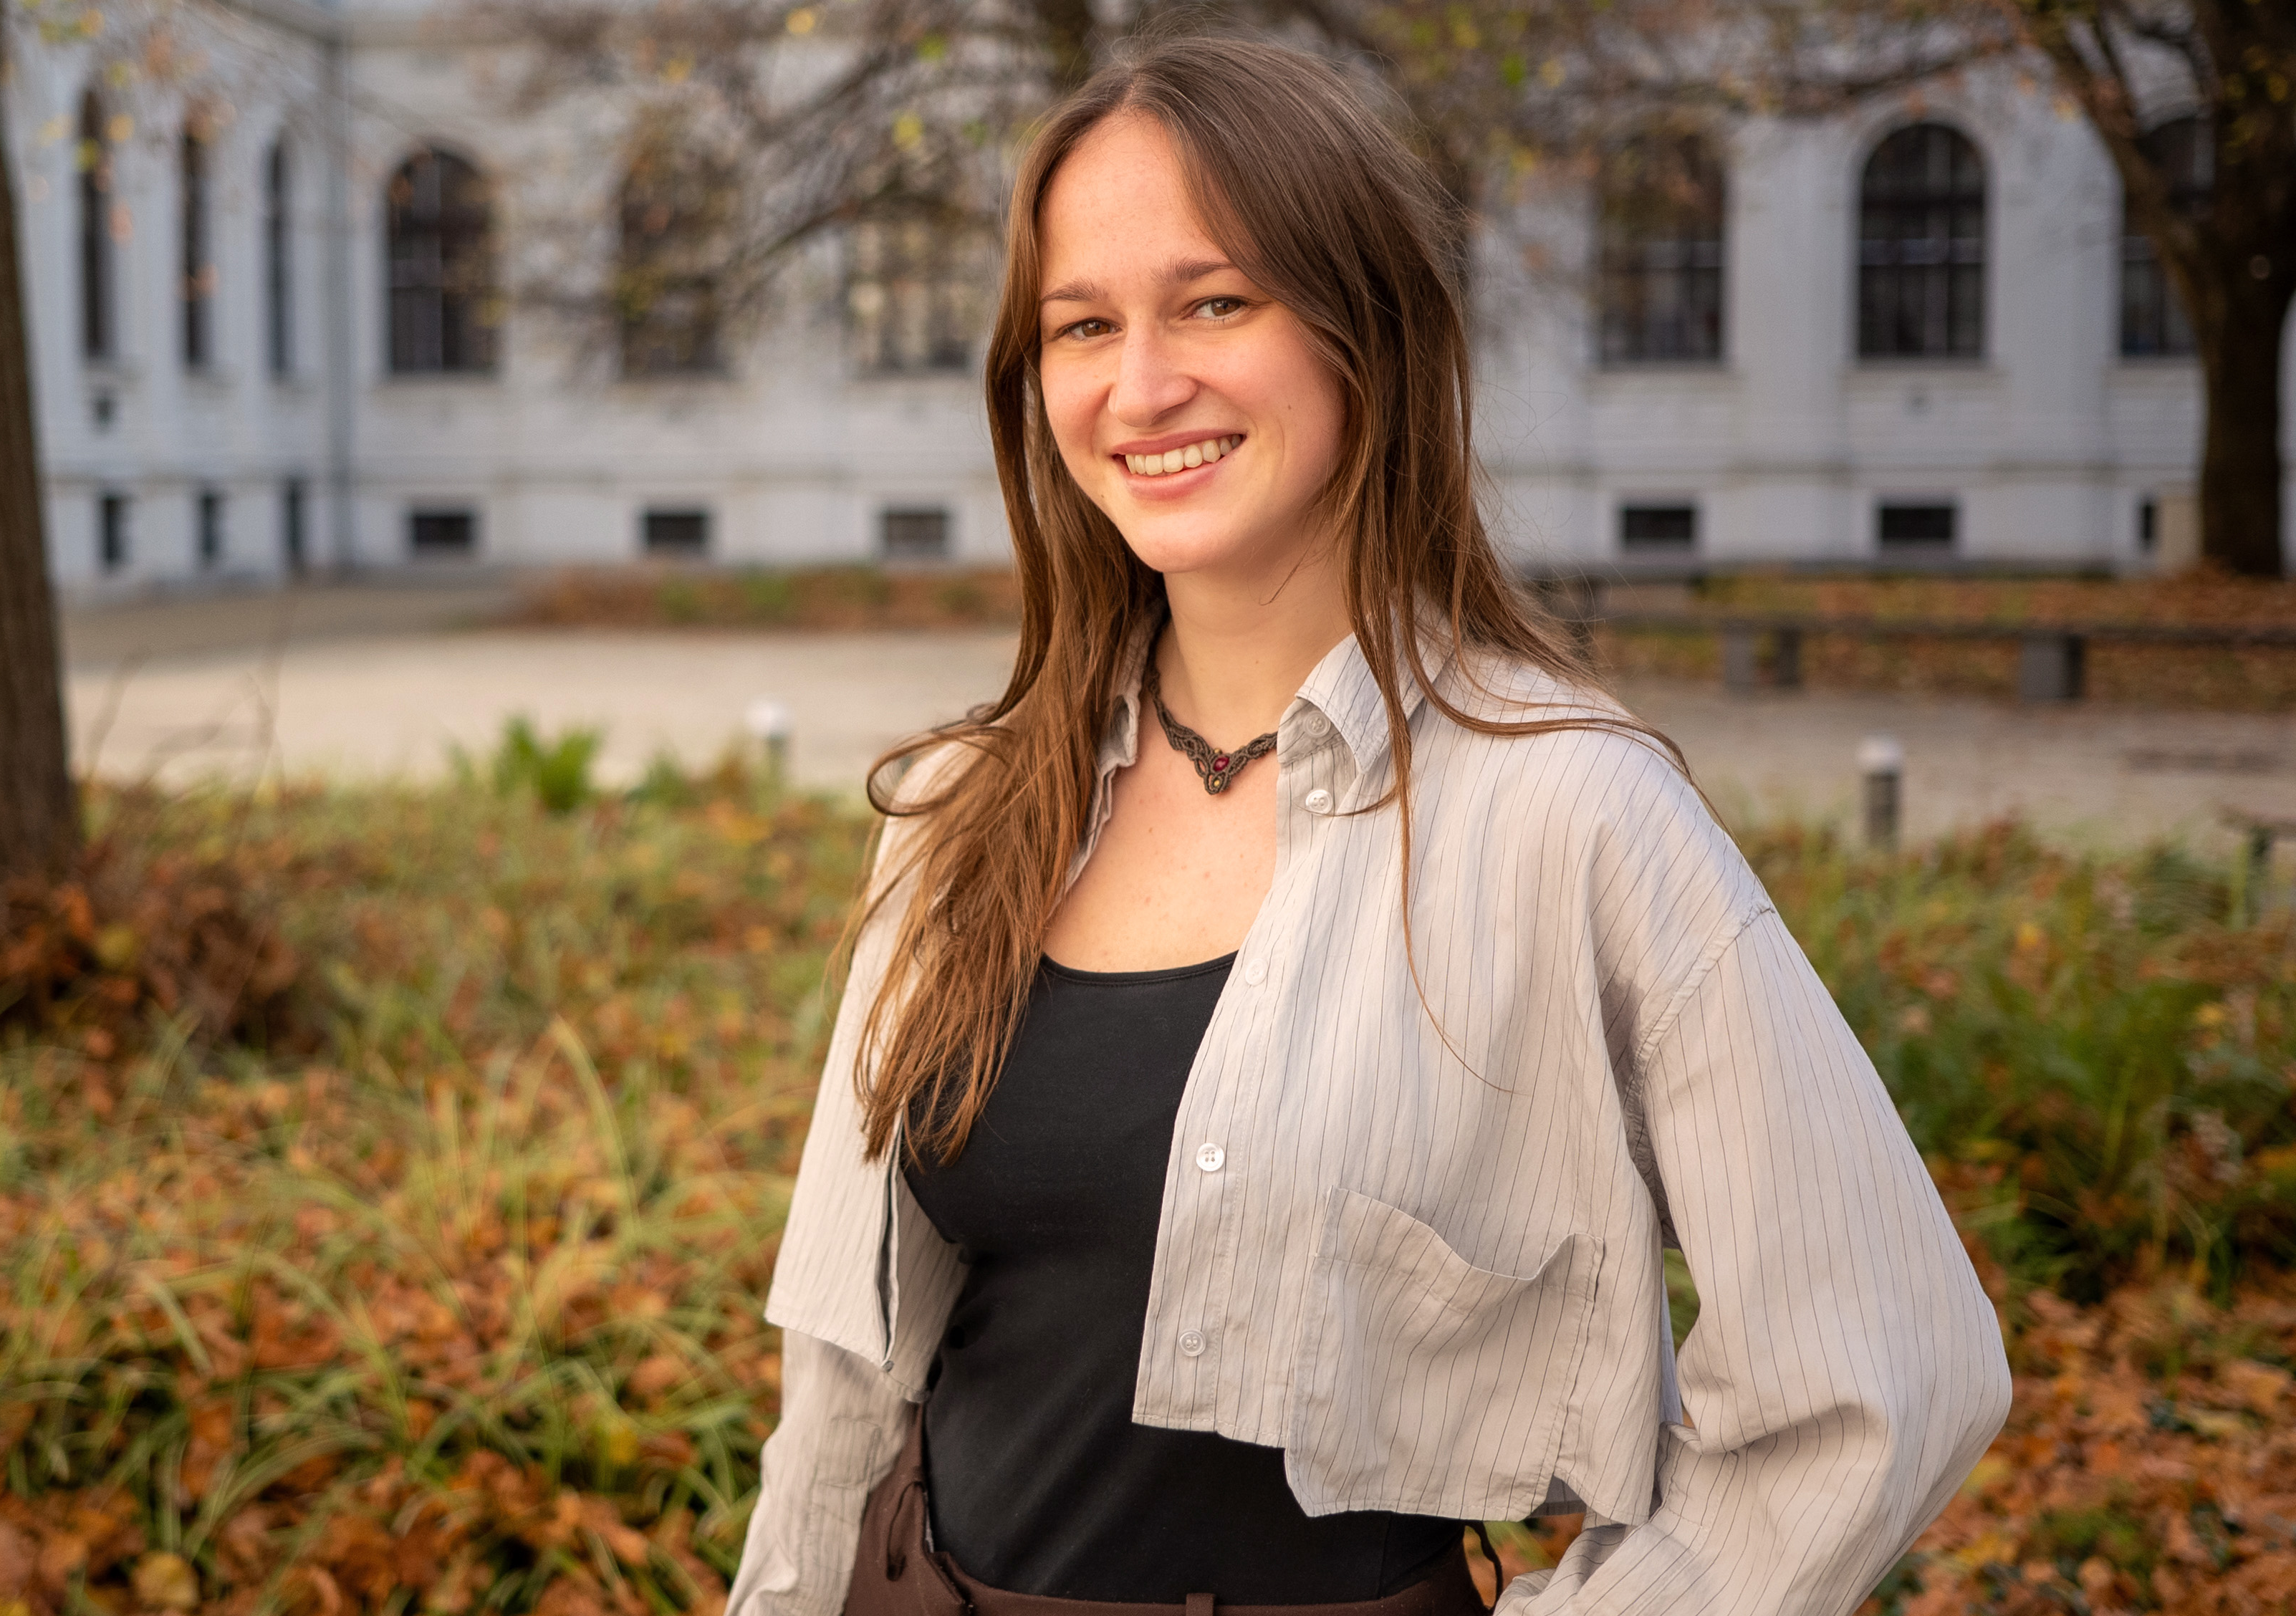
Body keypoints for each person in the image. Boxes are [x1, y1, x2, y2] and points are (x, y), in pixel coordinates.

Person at [726, 31, 2009, 1616]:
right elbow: (846, 1387)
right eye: (1081, 324)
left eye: (1214, 301)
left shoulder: (1568, 813)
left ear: (1365, 333)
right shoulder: (957, 813)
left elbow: (1882, 1374)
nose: (1141, 387)